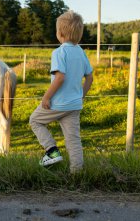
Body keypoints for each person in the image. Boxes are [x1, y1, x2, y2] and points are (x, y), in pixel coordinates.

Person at [29, 10, 93, 173]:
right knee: (73, 140)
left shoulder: (59, 52)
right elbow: (90, 78)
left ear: (60, 33)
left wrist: (46, 97)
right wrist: (81, 96)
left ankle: (52, 151)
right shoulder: (81, 52)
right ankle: (77, 173)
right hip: (74, 105)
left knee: (35, 121)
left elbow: (59, 78)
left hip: (57, 103)